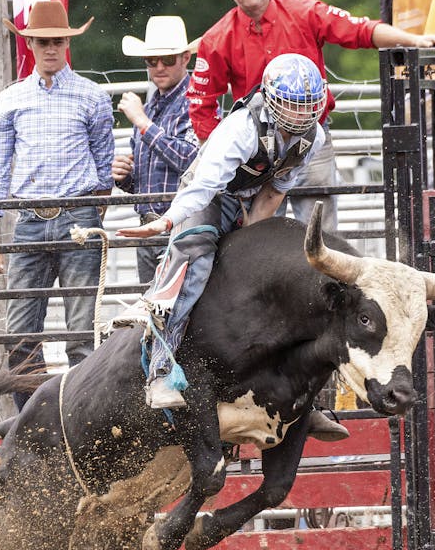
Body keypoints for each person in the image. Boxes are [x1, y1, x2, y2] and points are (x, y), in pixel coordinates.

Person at [117, 53, 329, 410]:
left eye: (307, 107)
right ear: (274, 102)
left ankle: (294, 393)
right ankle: (160, 369)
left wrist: (254, 244)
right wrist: (167, 221)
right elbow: (203, 187)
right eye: (292, 107)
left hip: (253, 201)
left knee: (277, 269)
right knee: (195, 261)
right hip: (212, 194)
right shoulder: (241, 129)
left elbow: (275, 190)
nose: (300, 116)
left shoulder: (313, 138)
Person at [186, 0, 435, 231]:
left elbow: (360, 30)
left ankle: (320, 276)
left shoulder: (304, 13)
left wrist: (413, 40)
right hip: (257, 150)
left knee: (321, 229)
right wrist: (222, 153)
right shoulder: (217, 38)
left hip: (311, 138)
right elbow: (201, 102)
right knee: (257, 236)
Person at [0, 0, 115, 408]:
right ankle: (34, 429)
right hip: (31, 219)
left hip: (77, 215)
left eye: (57, 41)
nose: (50, 48)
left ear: (66, 43)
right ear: (31, 45)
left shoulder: (92, 97)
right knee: (21, 335)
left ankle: (80, 424)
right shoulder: (12, 99)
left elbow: (104, 168)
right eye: (43, 42)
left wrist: (93, 212)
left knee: (80, 335)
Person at [113, 16, 201, 283]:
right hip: (148, 229)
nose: (159, 67)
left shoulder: (197, 101)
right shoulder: (150, 107)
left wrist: (142, 123)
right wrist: (125, 176)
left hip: (181, 228)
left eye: (168, 60)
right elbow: (144, 181)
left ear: (185, 58)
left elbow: (192, 161)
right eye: (152, 61)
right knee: (150, 312)